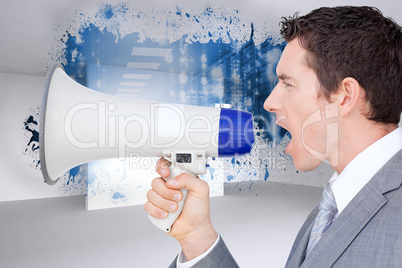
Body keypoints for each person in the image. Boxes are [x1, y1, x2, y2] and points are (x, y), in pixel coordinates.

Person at [144, 6, 402, 267]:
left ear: (344, 97)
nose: (269, 102)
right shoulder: (330, 210)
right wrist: (197, 237)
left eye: (288, 84)